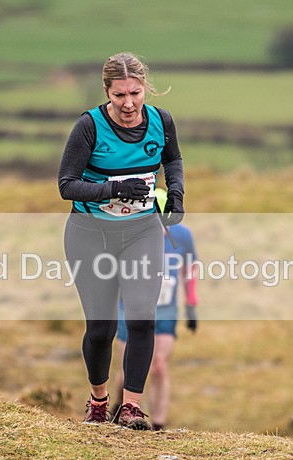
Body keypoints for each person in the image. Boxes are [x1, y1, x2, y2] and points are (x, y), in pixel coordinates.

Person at [58, 52, 185, 430]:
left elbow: (172, 159)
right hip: (90, 233)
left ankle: (131, 407)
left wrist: (175, 192)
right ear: (107, 93)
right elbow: (66, 185)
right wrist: (113, 188)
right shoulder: (89, 127)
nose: (129, 103)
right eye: (119, 96)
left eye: (136, 93)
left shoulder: (161, 121)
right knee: (102, 328)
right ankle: (98, 402)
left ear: (145, 87)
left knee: (143, 316)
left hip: (142, 231)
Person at [114, 189, 198, 431]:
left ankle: (157, 425)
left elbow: (190, 268)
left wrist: (192, 305)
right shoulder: (130, 232)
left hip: (165, 311)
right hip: (129, 309)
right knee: (125, 373)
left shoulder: (182, 236)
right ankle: (120, 408)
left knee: (159, 365)